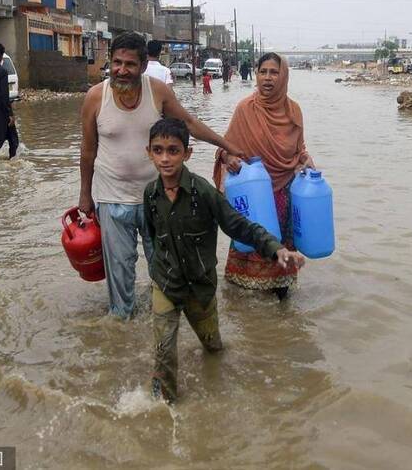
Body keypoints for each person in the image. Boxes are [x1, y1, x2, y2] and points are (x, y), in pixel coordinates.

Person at [79, 32, 243, 319]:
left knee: (165, 265)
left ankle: (165, 319)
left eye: (129, 64)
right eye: (116, 62)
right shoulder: (95, 97)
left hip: (158, 198)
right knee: (119, 270)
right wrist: (84, 196)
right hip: (111, 198)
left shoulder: (158, 92)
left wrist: (229, 146)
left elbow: (189, 123)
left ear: (142, 66)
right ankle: (123, 324)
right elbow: (87, 150)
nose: (122, 70)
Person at [144, 118, 305, 403]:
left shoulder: (203, 192)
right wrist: (156, 272)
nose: (165, 158)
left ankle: (217, 382)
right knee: (164, 350)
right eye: (158, 150)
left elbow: (239, 225)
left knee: (213, 347)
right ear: (149, 153)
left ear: (187, 153)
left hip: (200, 287)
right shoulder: (150, 194)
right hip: (165, 283)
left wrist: (276, 249)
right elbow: (152, 237)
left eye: (173, 150)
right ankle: (164, 406)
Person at [213, 52, 315, 301]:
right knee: (250, 244)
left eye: (274, 72)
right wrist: (229, 159)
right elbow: (226, 148)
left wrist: (308, 163)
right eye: (263, 72)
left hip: (283, 191)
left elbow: (299, 149)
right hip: (252, 193)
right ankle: (248, 309)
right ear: (256, 74)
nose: (267, 78)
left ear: (283, 77)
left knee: (282, 251)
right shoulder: (245, 109)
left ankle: (280, 302)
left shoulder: (294, 111)